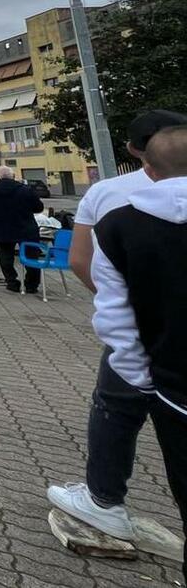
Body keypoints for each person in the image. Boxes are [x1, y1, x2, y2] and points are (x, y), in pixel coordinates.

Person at [47, 110, 187, 542]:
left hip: (140, 340)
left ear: (134, 152)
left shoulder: (110, 201)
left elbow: (82, 262)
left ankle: (104, 499)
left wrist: (124, 312)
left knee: (115, 412)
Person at [87, 126, 187, 574]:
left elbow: (116, 315)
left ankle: (104, 499)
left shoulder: (117, 222)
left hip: (171, 386)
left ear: (144, 163)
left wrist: (143, 378)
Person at [0, 166, 43, 293]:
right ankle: (31, 284)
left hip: (1, 228)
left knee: (5, 256)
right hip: (26, 227)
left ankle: (12, 281)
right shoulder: (25, 189)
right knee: (31, 256)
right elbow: (38, 207)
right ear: (13, 176)